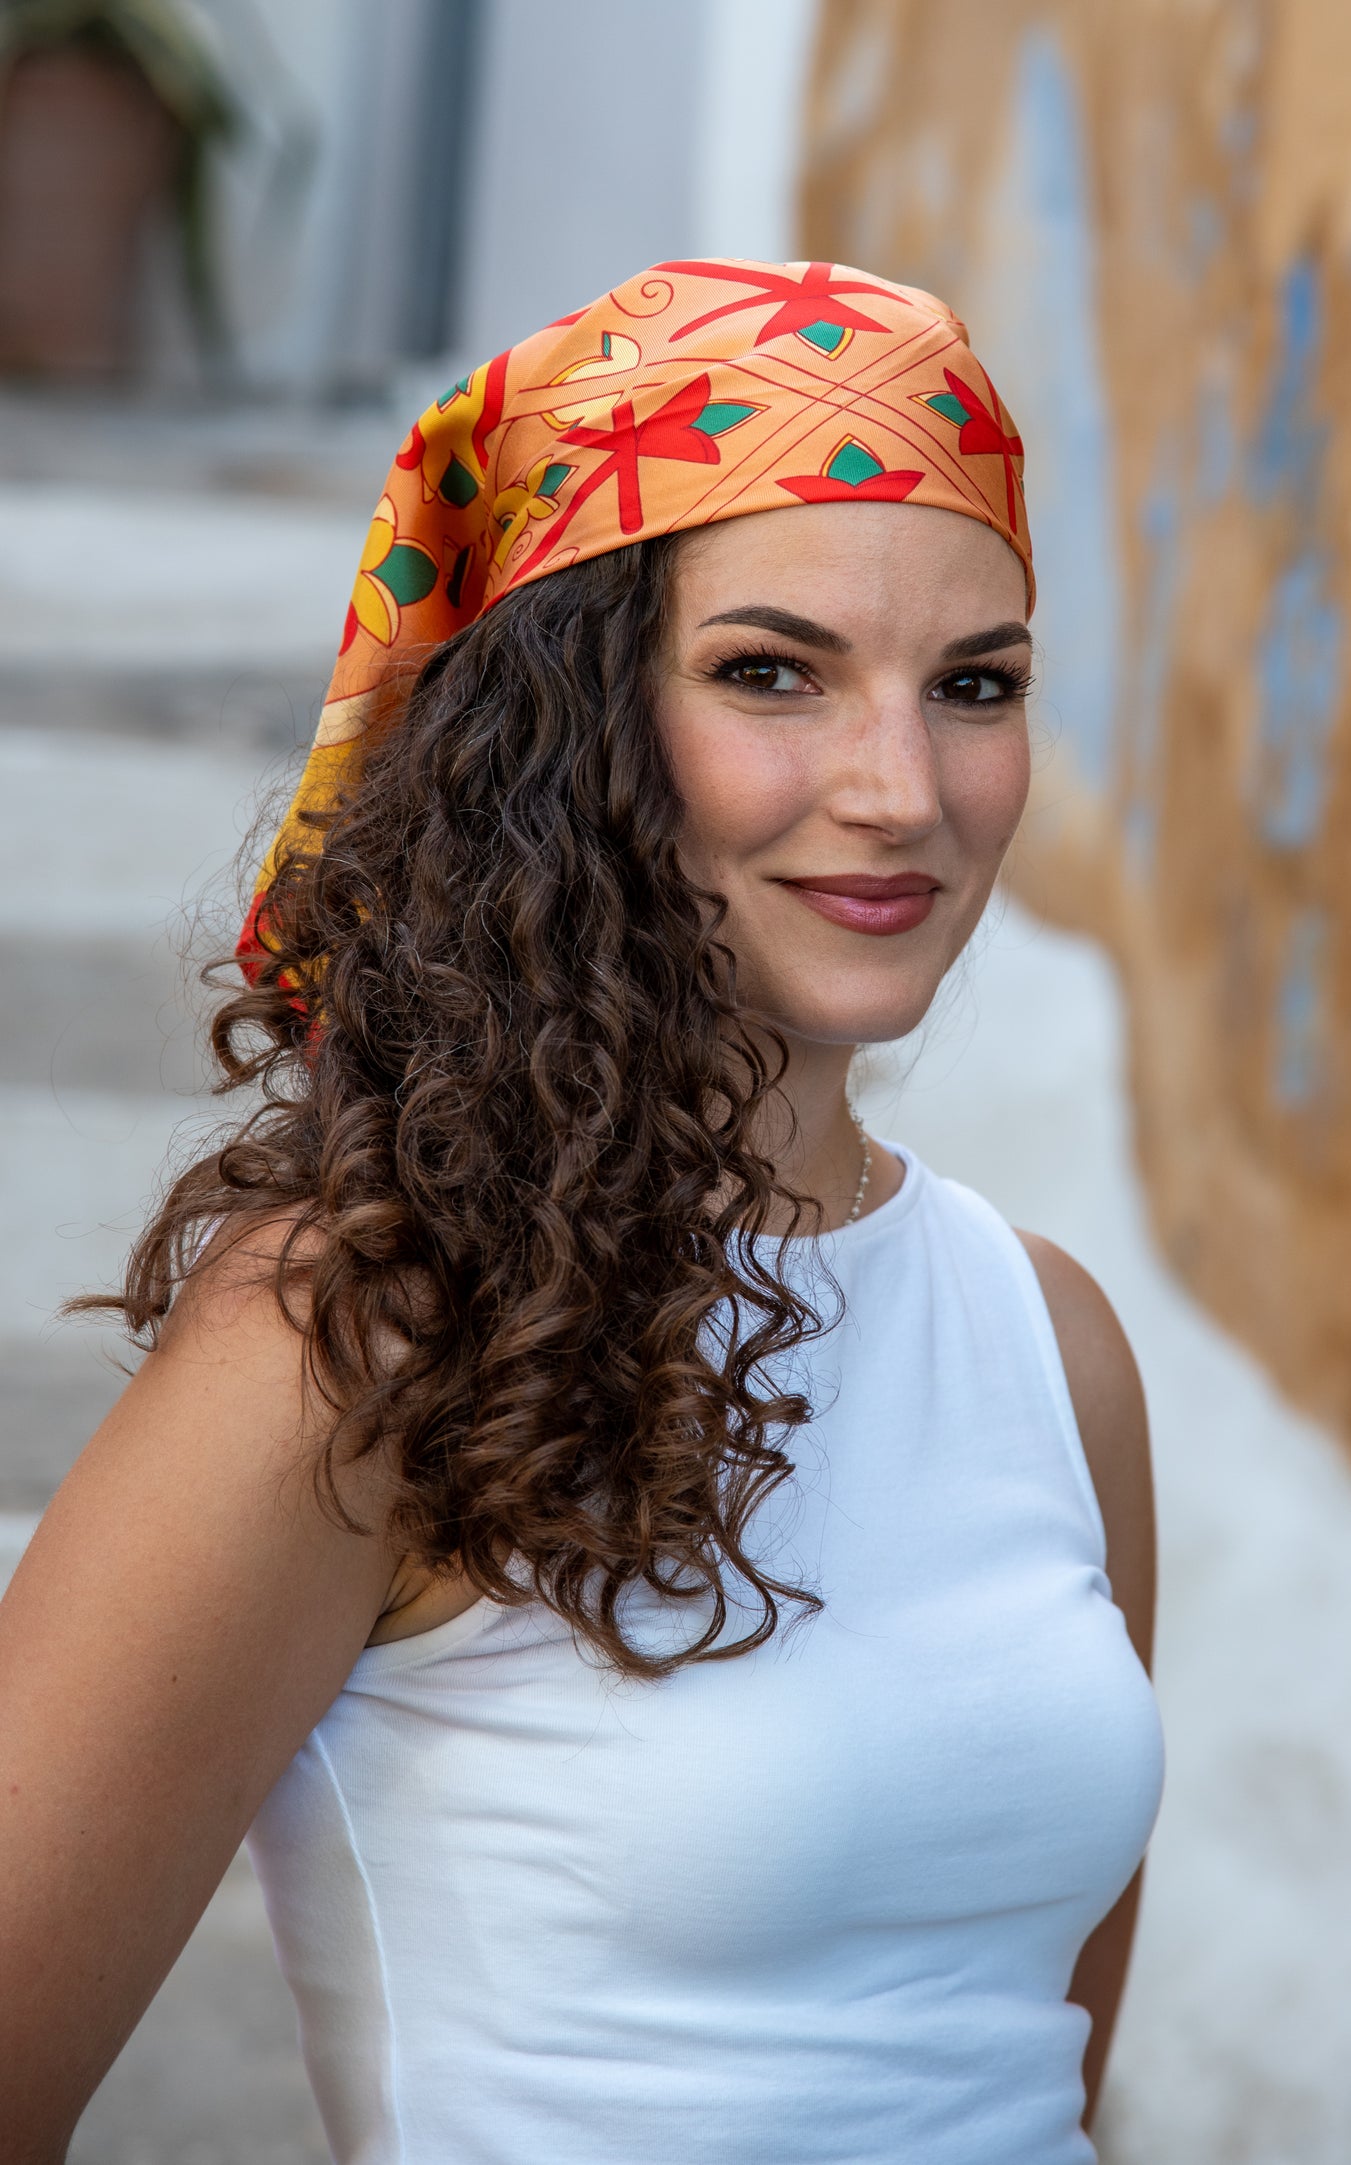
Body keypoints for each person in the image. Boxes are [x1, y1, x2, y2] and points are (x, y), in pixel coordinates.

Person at [0, 259, 1162, 2165]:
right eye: (770, 672)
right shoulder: (363, 1339)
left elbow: (1037, 2073)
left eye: (976, 686)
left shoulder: (1050, 1339)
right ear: (575, 726)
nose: (900, 788)